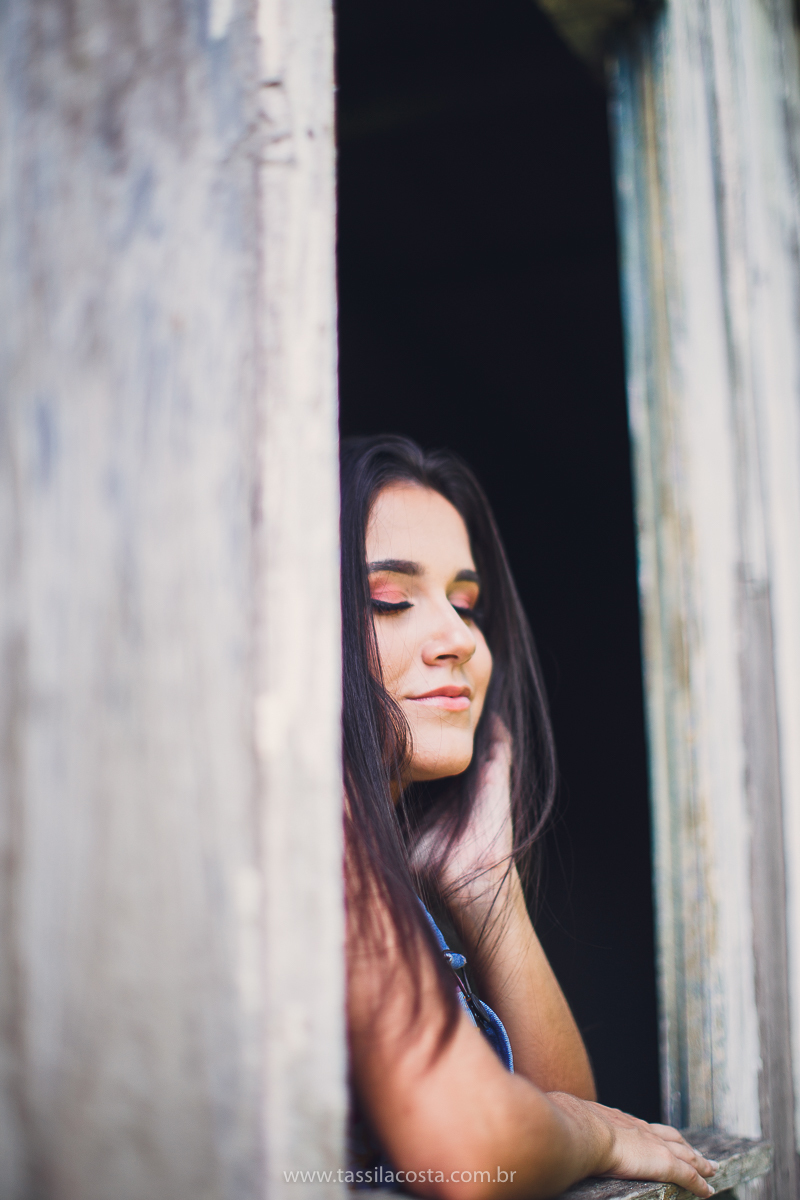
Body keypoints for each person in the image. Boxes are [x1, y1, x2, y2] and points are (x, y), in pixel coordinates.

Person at [341, 435, 716, 1200]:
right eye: (391, 598)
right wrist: (598, 1132)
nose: (459, 641)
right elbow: (473, 1145)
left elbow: (560, 1122)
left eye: (467, 604)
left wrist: (489, 889)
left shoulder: (378, 861)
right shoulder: (308, 821)